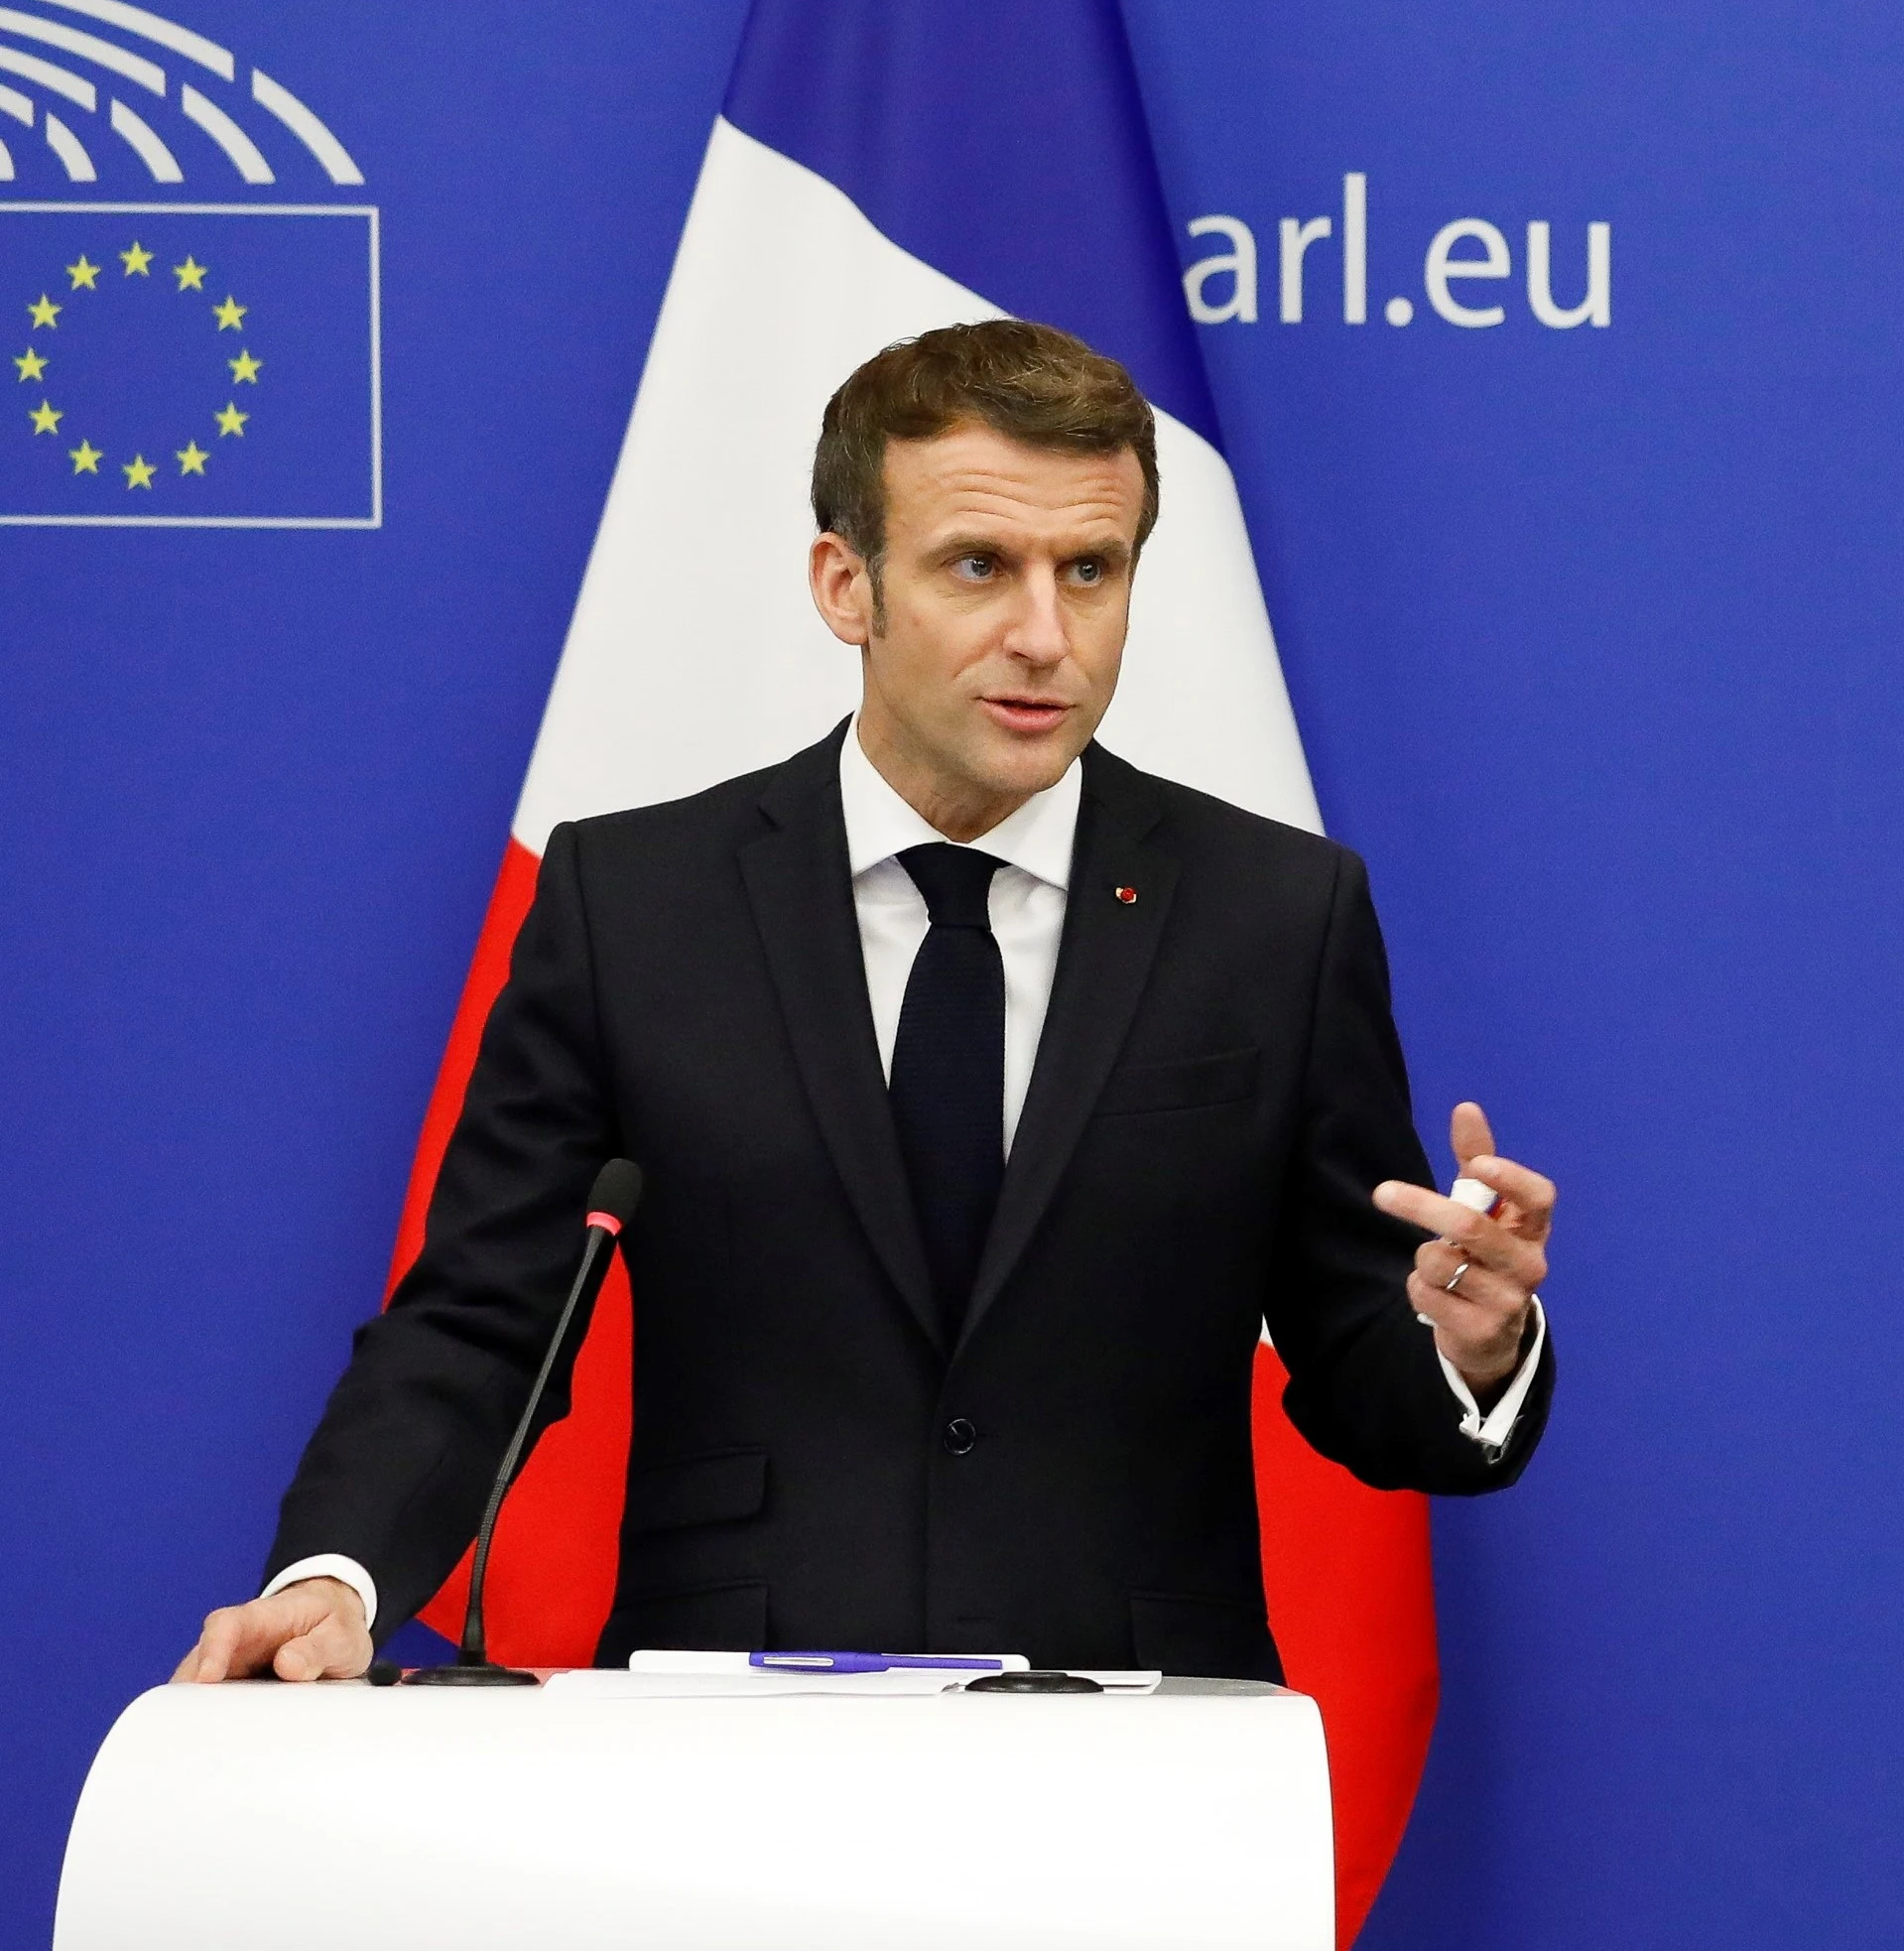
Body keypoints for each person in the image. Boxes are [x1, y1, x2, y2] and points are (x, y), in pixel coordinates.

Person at [176, 320, 1557, 1683]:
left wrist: (1467, 1347)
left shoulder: (1274, 916)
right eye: (979, 567)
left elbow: (1365, 1362)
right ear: (848, 586)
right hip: (732, 1734)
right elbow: (487, 1314)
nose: (1045, 634)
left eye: (1092, 570)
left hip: (1137, 1759)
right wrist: (336, 1572)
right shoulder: (637, 903)